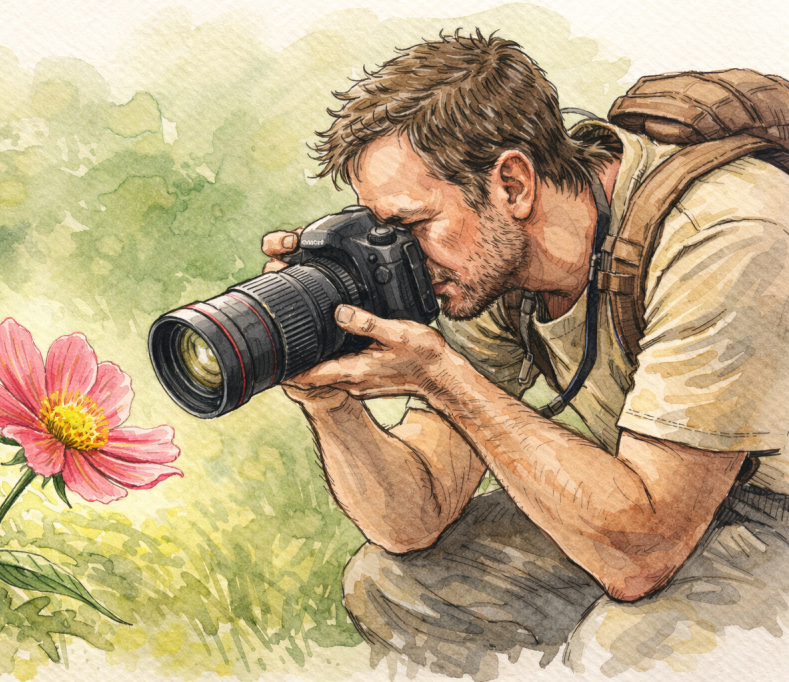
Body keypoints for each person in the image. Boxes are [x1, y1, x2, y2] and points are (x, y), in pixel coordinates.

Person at [261, 31, 789, 678]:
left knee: (627, 648)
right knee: (388, 583)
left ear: (513, 182)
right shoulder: (488, 264)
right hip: (670, 501)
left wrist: (443, 378)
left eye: (410, 226)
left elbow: (642, 552)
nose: (396, 255)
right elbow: (414, 515)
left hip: (772, 507)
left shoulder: (724, 234)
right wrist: (327, 396)